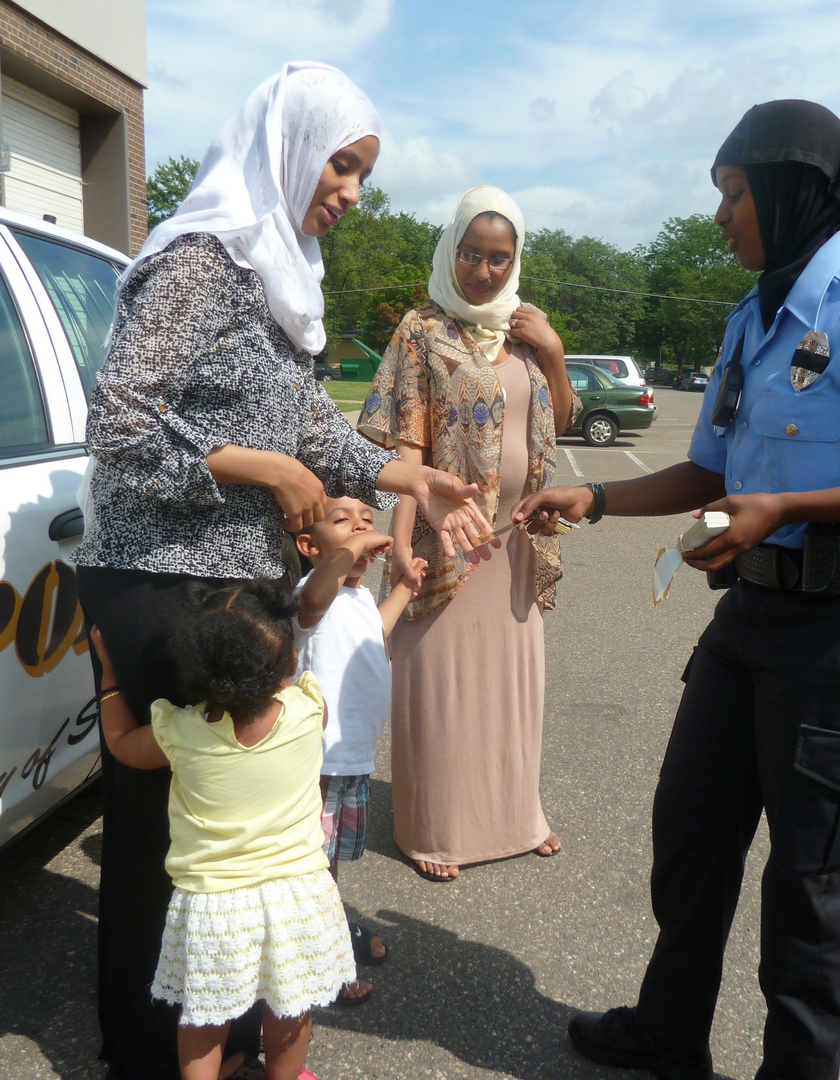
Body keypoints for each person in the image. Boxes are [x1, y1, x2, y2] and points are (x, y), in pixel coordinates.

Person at [511, 99, 840, 1080]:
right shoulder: (750, 322)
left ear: (788, 191)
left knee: (809, 888)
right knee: (690, 834)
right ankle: (669, 1033)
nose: (721, 215)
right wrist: (595, 495)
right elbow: (710, 475)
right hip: (753, 621)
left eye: (733, 193)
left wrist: (786, 508)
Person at [71, 62, 495, 1080]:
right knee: (168, 842)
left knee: (240, 834)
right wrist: (259, 468)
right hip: (162, 578)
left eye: (360, 174)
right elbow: (118, 427)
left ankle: (231, 1031)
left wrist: (417, 477)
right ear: (288, 149)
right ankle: (148, 1051)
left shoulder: (276, 271)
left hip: (243, 585)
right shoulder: (200, 261)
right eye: (341, 167)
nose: (350, 192)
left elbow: (311, 426)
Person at [357, 186, 576, 882]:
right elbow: (406, 444)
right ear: (452, 251)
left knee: (511, 688)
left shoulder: (525, 330)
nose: (484, 272)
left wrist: (556, 351)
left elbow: (558, 426)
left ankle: (518, 815)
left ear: (516, 262)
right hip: (444, 540)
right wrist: (400, 542)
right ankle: (440, 827)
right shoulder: (422, 330)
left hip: (516, 537)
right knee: (444, 687)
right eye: (472, 255)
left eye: (499, 258)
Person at [89, 583, 350, 1080]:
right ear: (287, 664)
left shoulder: (181, 733)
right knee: (290, 1007)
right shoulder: (308, 711)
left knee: (204, 1017)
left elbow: (122, 743)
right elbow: (295, 690)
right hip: (299, 892)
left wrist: (108, 675)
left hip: (215, 901)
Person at [292, 497, 428, 1006]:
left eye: (369, 521)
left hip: (351, 758)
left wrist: (403, 588)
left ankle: (325, 935)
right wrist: (350, 551)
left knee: (326, 864)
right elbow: (317, 597)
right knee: (312, 865)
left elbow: (377, 629)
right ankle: (328, 963)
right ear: (309, 546)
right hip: (320, 760)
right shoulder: (312, 592)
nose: (361, 529)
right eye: (342, 522)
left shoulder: (357, 599)